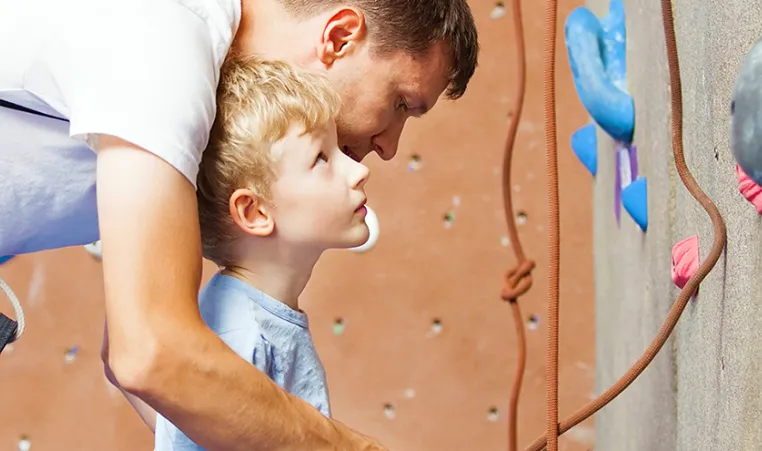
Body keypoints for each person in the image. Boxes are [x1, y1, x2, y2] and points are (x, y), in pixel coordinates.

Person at [0, 0, 479, 449]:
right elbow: (151, 351)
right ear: (339, 37)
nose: (390, 147)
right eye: (401, 103)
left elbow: (141, 350)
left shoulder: (194, 79)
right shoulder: (165, 35)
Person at [103, 54, 370, 449]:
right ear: (254, 211)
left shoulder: (251, 316)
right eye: (322, 158)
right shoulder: (241, 333)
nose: (358, 170)